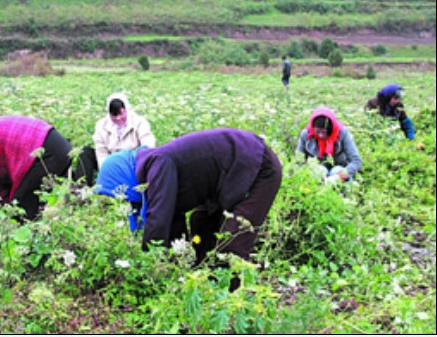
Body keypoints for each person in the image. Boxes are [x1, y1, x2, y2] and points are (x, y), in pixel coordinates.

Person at [96, 128, 283, 268]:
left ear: (123, 178)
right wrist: (175, 263)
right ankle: (203, 282)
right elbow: (171, 221)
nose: (124, 199)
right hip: (227, 180)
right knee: (200, 223)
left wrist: (145, 264)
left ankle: (229, 304)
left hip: (257, 167)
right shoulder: (153, 170)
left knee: (231, 247)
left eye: (121, 192)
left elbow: (158, 219)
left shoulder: (158, 163)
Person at [75, 93, 156, 186]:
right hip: (111, 162)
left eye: (121, 114)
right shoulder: (101, 125)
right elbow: (101, 153)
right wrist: (107, 173)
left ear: (126, 109)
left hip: (132, 163)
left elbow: (148, 145)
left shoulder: (139, 122)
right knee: (84, 152)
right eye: (114, 115)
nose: (118, 118)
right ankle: (81, 189)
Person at [296, 107, 362, 183]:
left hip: (341, 167)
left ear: (331, 129)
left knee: (335, 171)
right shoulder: (306, 134)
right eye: (317, 132)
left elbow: (356, 161)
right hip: (318, 167)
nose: (320, 135)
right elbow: (299, 160)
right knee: (319, 171)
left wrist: (340, 176)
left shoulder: (343, 133)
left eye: (324, 132)